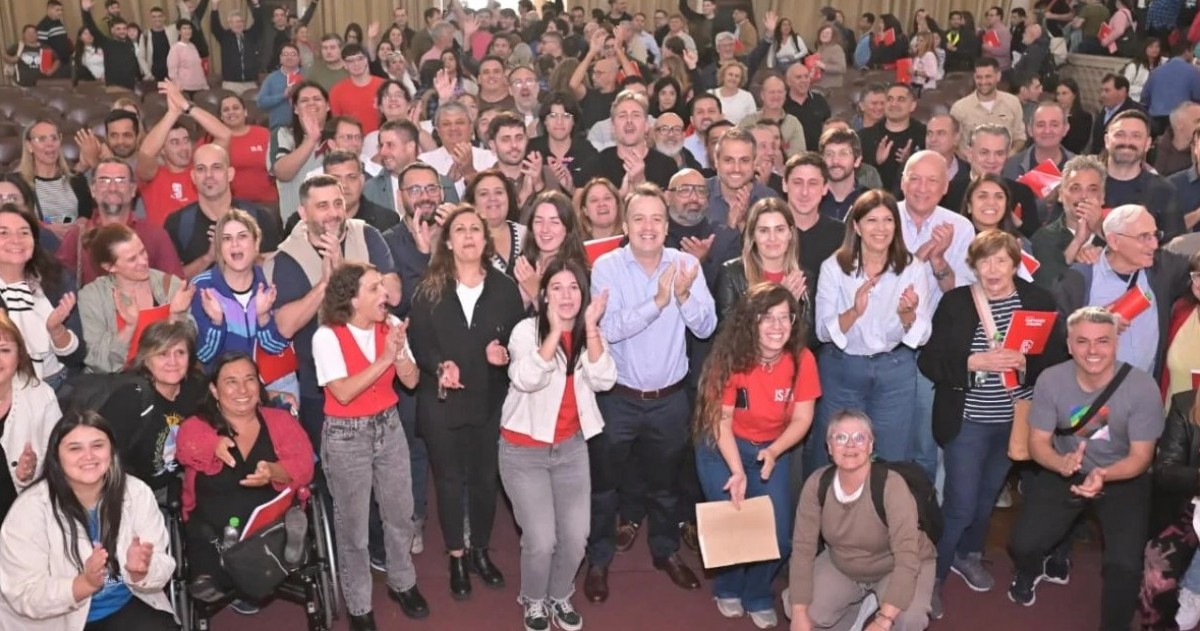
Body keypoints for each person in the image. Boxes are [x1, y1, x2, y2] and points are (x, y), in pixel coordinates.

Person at [918, 230, 1068, 619]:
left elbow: (1056, 359)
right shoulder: (956, 302)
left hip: (1014, 420)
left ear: (1015, 264)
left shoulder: (1037, 301)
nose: (993, 269)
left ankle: (968, 555)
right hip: (967, 420)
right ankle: (931, 578)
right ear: (973, 266)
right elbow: (929, 361)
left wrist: (1026, 363)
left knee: (987, 498)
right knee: (960, 504)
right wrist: (972, 362)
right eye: (984, 261)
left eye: (1001, 260)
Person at [583, 184, 716, 603]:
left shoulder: (685, 264)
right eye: (639, 218)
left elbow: (706, 327)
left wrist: (683, 297)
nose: (648, 227)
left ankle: (665, 551)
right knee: (604, 488)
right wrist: (658, 302)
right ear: (625, 225)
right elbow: (607, 328)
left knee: (665, 487)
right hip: (618, 398)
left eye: (657, 218)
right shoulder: (606, 266)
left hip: (670, 400)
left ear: (667, 224)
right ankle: (598, 559)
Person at [1007, 307, 1163, 631]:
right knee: (1022, 544)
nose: (1093, 350)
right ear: (1069, 344)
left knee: (1124, 566)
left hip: (1122, 475)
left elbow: (1142, 456)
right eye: (1082, 341)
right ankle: (1035, 565)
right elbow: (1038, 443)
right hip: (1065, 469)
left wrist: (1103, 475)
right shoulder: (1051, 379)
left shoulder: (1142, 386)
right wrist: (1060, 463)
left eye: (1102, 341)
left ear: (1116, 343)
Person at [408, 206, 525, 600]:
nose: (469, 236)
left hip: (490, 398)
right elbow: (419, 342)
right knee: (449, 480)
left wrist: (503, 352)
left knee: (484, 480)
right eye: (460, 230)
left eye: (476, 229)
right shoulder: (428, 288)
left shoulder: (505, 288)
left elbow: (517, 339)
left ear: (486, 239)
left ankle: (480, 552)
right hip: (441, 400)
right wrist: (439, 365)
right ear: (448, 241)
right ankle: (456, 556)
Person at [499, 257, 614, 631]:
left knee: (577, 539)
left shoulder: (590, 333)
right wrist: (553, 332)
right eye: (557, 288)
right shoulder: (524, 331)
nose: (566, 296)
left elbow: (604, 380)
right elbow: (526, 378)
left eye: (574, 288)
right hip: (523, 451)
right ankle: (534, 600)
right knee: (540, 539)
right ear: (544, 295)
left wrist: (590, 329)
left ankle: (559, 593)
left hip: (571, 449)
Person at [694, 283, 818, 628]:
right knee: (733, 524)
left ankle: (758, 592)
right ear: (751, 322)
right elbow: (721, 420)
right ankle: (728, 587)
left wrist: (774, 451)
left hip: (771, 449)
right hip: (723, 448)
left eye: (785, 317)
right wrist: (737, 470)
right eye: (767, 318)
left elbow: (803, 418)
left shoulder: (803, 360)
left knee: (778, 535)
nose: (778, 326)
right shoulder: (729, 357)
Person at [313, 262, 428, 628]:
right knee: (354, 530)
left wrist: (401, 353)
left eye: (383, 286)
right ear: (352, 299)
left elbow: (411, 381)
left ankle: (402, 582)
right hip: (346, 436)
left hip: (389, 426)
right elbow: (343, 392)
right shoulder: (326, 337)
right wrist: (385, 359)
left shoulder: (391, 325)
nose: (385, 294)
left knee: (400, 513)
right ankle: (359, 605)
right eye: (375, 288)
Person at [0, 410, 178, 630]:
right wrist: (84, 583)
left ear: (111, 450)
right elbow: (24, 594)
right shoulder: (30, 509)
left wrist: (141, 571)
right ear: (56, 456)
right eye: (75, 448)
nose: (89, 456)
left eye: (98, 446)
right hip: (54, 621)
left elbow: (162, 564)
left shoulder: (136, 493)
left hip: (125, 605)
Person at [809, 190, 932, 473]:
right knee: (836, 454)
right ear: (856, 226)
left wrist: (907, 315)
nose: (881, 228)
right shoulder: (834, 267)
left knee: (891, 456)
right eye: (872, 220)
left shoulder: (912, 267)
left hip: (894, 370)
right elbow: (822, 331)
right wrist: (854, 311)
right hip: (843, 370)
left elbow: (923, 334)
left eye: (888, 220)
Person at [176, 352, 312, 604]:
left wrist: (273, 471)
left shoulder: (280, 420)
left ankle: (264, 552)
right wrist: (213, 445)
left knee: (270, 515)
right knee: (208, 531)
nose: (242, 389)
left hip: (268, 515)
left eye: (250, 379)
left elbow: (304, 465)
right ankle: (271, 557)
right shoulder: (198, 425)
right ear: (214, 390)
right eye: (231, 381)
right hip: (215, 519)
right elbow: (185, 447)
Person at [788, 409, 936, 630]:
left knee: (908, 620)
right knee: (802, 609)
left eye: (859, 438)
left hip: (895, 565)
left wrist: (883, 620)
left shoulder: (891, 485)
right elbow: (802, 548)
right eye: (840, 437)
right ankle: (857, 607)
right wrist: (799, 612)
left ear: (870, 445)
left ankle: (880, 603)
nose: (850, 445)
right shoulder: (817, 484)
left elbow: (907, 556)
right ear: (829, 447)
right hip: (845, 563)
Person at [78, 223, 192, 374]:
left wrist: (177, 316)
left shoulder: (169, 285)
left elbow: (190, 348)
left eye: (143, 251)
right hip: (117, 380)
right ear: (109, 267)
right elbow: (98, 362)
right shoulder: (93, 296)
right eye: (132, 259)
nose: (143, 261)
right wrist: (129, 328)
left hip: (166, 376)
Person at [189, 209, 289, 374]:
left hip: (269, 380)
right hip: (224, 382)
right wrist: (216, 323)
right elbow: (203, 356)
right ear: (219, 248)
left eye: (242, 236)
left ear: (256, 243)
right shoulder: (202, 287)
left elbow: (277, 347)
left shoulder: (270, 281)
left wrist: (263, 317)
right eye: (227, 239)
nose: (235, 244)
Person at [58, 159, 185, 288]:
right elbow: (59, 289)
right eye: (104, 181)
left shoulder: (155, 235)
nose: (112, 188)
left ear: (133, 189)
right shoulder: (76, 237)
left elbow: (175, 288)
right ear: (93, 190)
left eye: (121, 181)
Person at [0, 204, 84, 388]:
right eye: (3, 233)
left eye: (24, 232)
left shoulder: (56, 279)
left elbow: (76, 357)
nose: (16, 240)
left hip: (57, 383)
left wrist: (56, 331)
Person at [1140, 386, 1200, 628]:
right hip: (1192, 503)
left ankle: (1194, 587)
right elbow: (1166, 470)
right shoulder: (1185, 404)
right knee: (1157, 558)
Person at [0, 311, 62, 523]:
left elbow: (59, 460)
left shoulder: (40, 395)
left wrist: (29, 474)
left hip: (27, 516)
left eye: (4, 350)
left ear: (19, 355)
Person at [715, 198, 809, 324]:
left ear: (790, 233)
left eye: (780, 230)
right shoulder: (731, 274)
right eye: (764, 230)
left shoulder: (804, 278)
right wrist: (780, 298)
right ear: (753, 235)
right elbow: (727, 330)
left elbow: (807, 333)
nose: (772, 238)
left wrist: (792, 307)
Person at [268, 81, 331, 225]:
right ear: (295, 108)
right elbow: (283, 173)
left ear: (328, 106)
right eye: (304, 100)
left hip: (335, 221)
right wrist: (311, 139)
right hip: (297, 225)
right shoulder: (283, 135)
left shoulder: (339, 135)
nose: (311, 103)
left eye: (317, 99)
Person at [18, 118, 94, 231]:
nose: (50, 144)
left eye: (54, 138)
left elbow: (87, 215)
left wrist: (79, 225)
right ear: (29, 146)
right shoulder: (18, 183)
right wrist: (47, 229)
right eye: (42, 139)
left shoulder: (77, 179)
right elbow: (16, 219)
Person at [217, 94, 278, 206]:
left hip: (269, 203)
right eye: (226, 110)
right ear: (221, 116)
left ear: (245, 112)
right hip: (234, 205)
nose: (231, 112)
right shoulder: (216, 140)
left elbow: (279, 166)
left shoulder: (264, 134)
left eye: (236, 108)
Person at [256, 44, 306, 131]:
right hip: (279, 127)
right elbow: (261, 102)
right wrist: (283, 95)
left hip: (305, 127)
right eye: (285, 54)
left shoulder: (308, 75)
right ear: (280, 58)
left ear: (299, 58)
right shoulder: (271, 78)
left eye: (293, 54)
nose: (289, 57)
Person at [166, 20, 206, 95]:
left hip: (199, 87)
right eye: (184, 28)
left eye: (189, 28)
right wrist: (179, 87)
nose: (187, 31)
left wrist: (204, 84)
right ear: (179, 32)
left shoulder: (193, 46)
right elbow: (172, 72)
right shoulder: (175, 48)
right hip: (185, 89)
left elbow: (198, 68)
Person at [1057, 80, 1093, 156]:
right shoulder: (1053, 115)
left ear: (1074, 95)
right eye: (1058, 94)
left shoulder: (1085, 118)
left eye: (1064, 93)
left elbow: (1077, 145)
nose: (1060, 97)